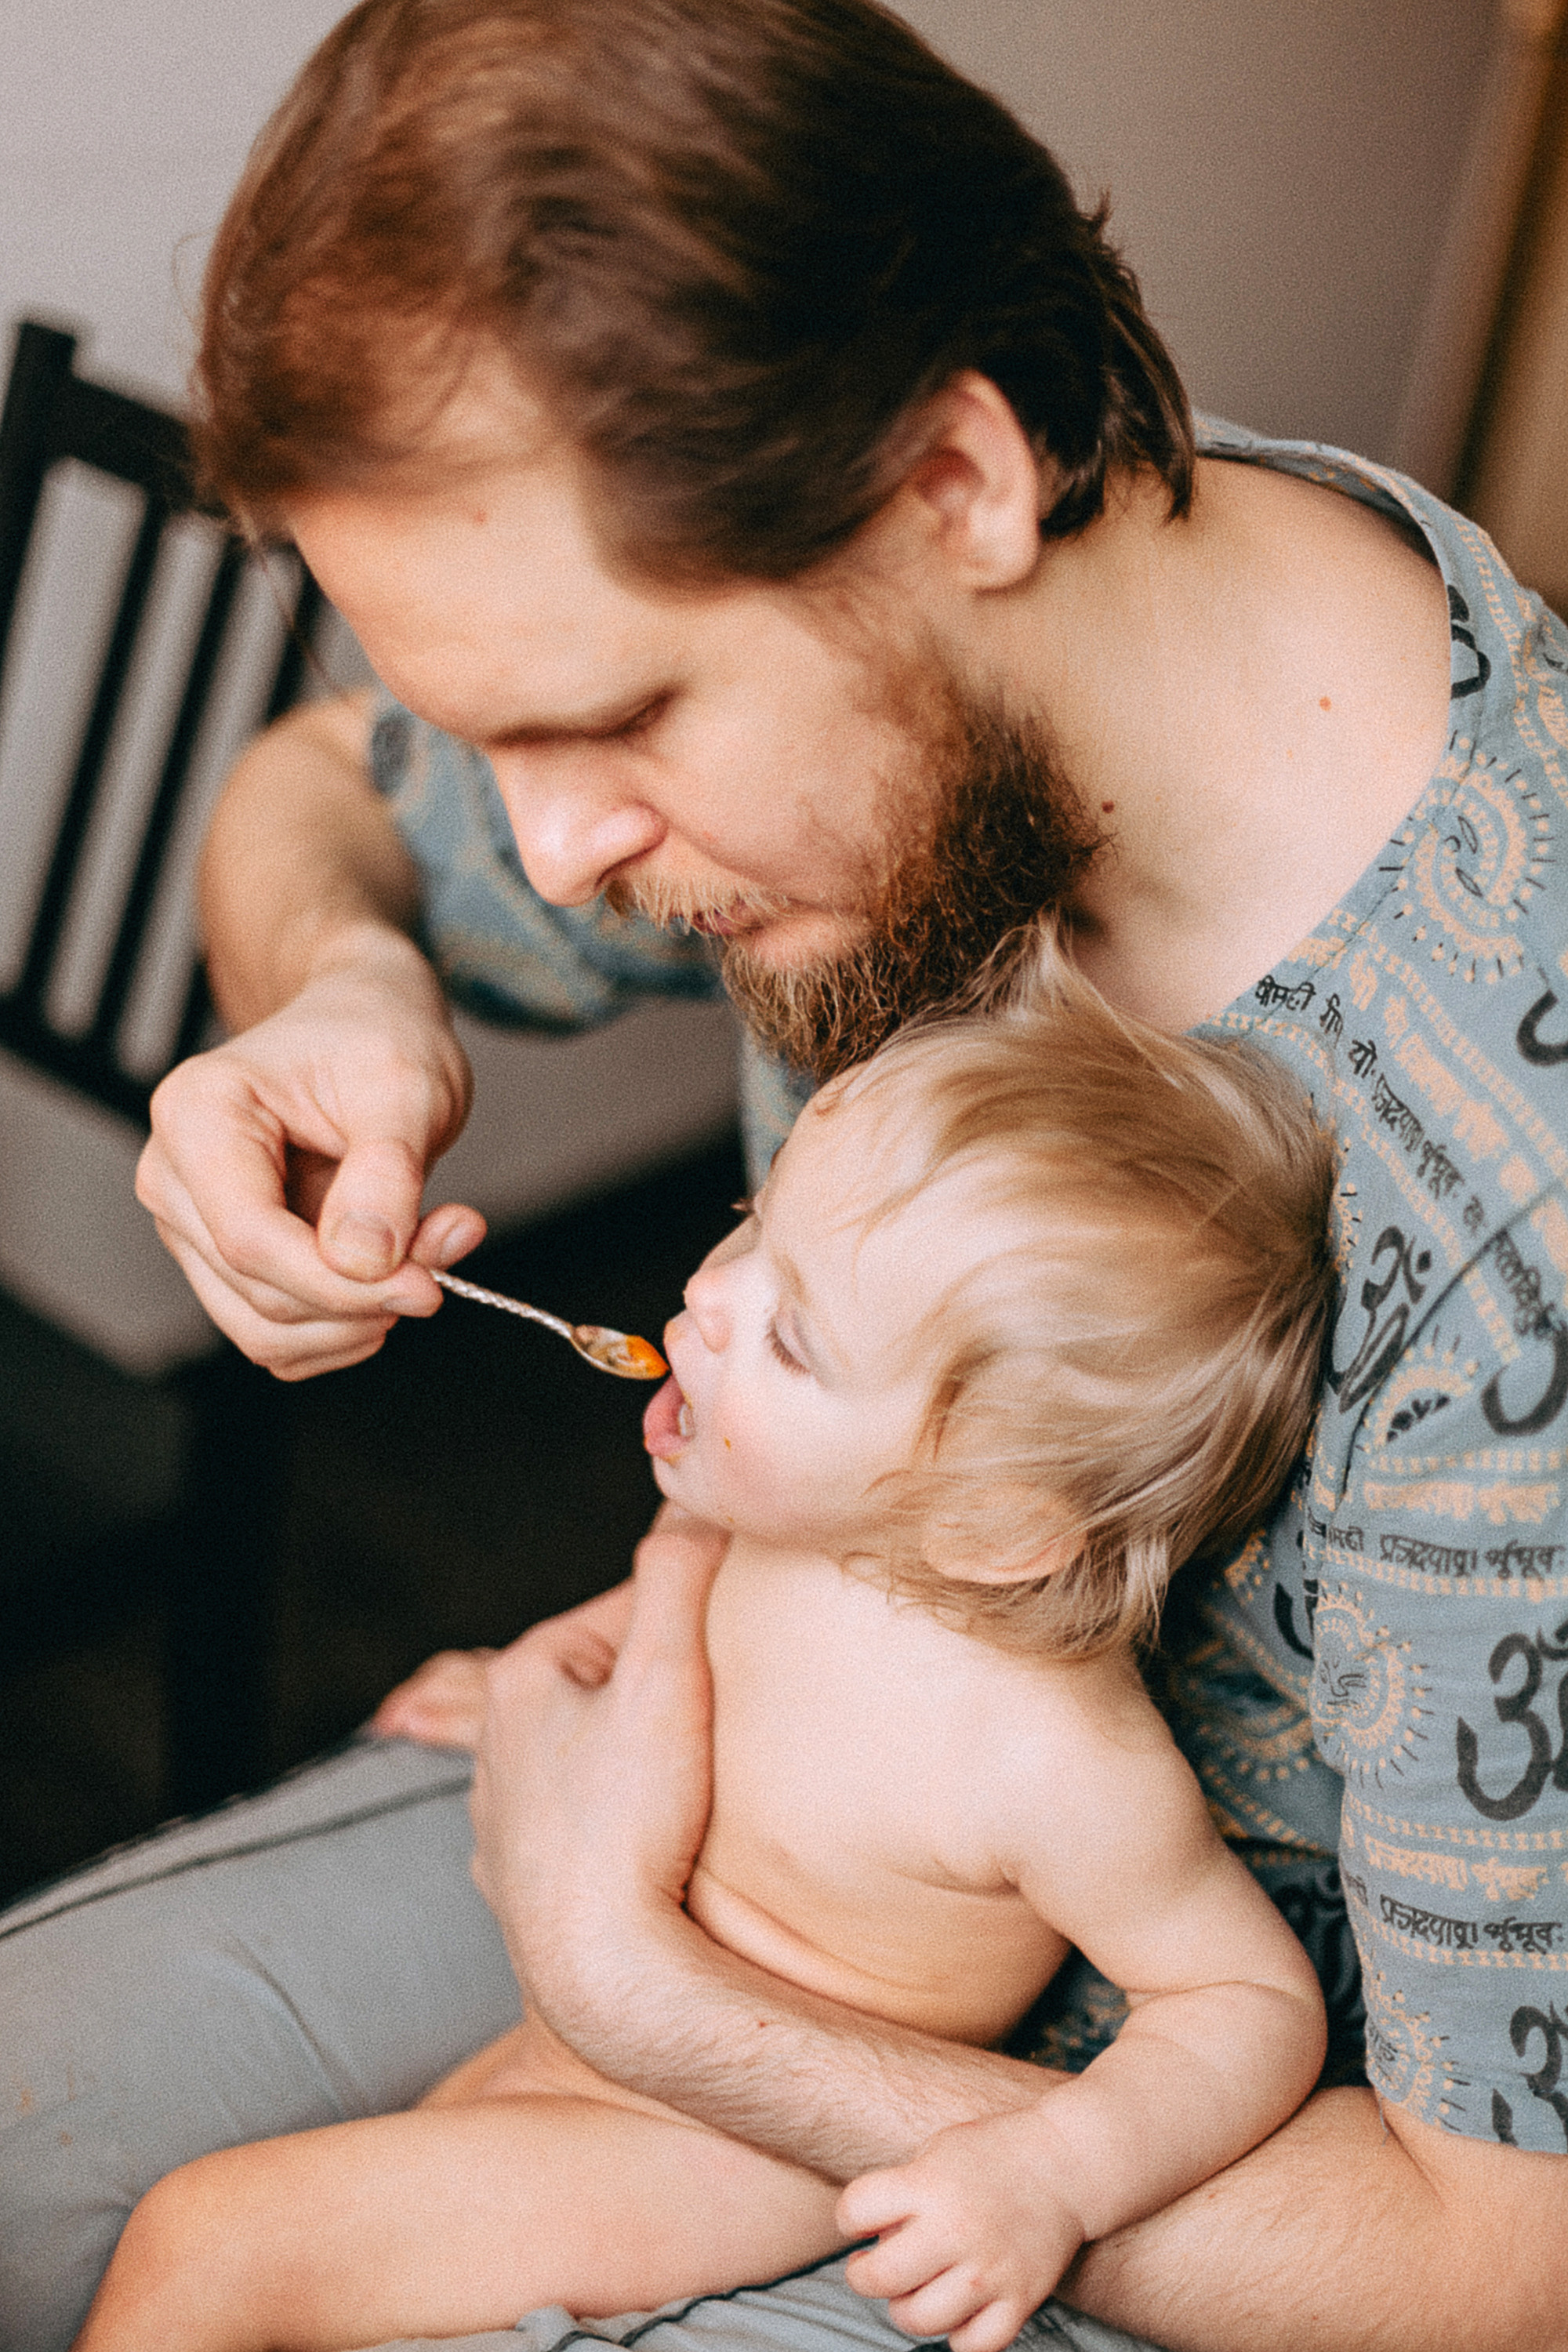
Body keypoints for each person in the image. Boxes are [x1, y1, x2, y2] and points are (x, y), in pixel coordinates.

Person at [3, 1, 1567, 2347]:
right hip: (728, 1800)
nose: (552, 851)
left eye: (617, 718)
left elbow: (1504, 2263)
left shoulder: (1522, 1205)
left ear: (955, 486)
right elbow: (314, 793)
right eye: (505, 735)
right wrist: (347, 984)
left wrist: (632, 1981)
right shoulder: (952, 644)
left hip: (1225, 2178)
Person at [71, 972, 1334, 2352]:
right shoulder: (794, 1505)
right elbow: (680, 1595)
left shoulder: (1044, 1754)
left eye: (792, 1335)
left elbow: (1247, 2003)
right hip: (582, 2058)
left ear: (987, 1524)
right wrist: (540, 1666)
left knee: (211, 2244)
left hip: (726, 2148)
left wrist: (1055, 2172)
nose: (708, 1292)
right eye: (755, 1219)